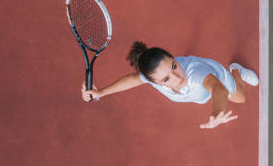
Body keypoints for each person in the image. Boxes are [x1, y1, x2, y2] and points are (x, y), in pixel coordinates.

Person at [81, 41, 258, 129]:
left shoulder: (195, 74)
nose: (176, 77)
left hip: (218, 77)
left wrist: (216, 112)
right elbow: (132, 80)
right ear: (154, 82)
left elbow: (218, 88)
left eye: (174, 66)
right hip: (201, 92)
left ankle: (236, 70)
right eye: (166, 79)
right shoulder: (150, 78)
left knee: (240, 98)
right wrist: (101, 92)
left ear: (174, 59)